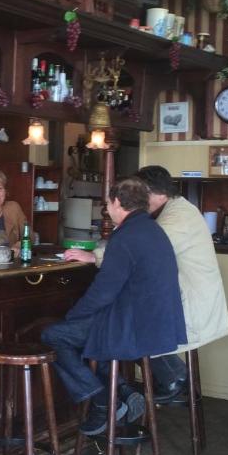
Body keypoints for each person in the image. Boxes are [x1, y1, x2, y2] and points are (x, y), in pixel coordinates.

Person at [43, 177, 186, 435]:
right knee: (93, 339)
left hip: (131, 327)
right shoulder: (153, 230)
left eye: (107, 204)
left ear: (118, 202)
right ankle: (122, 390)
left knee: (55, 335)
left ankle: (101, 401)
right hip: (154, 324)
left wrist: (73, 316)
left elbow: (103, 292)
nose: (107, 210)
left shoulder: (126, 236)